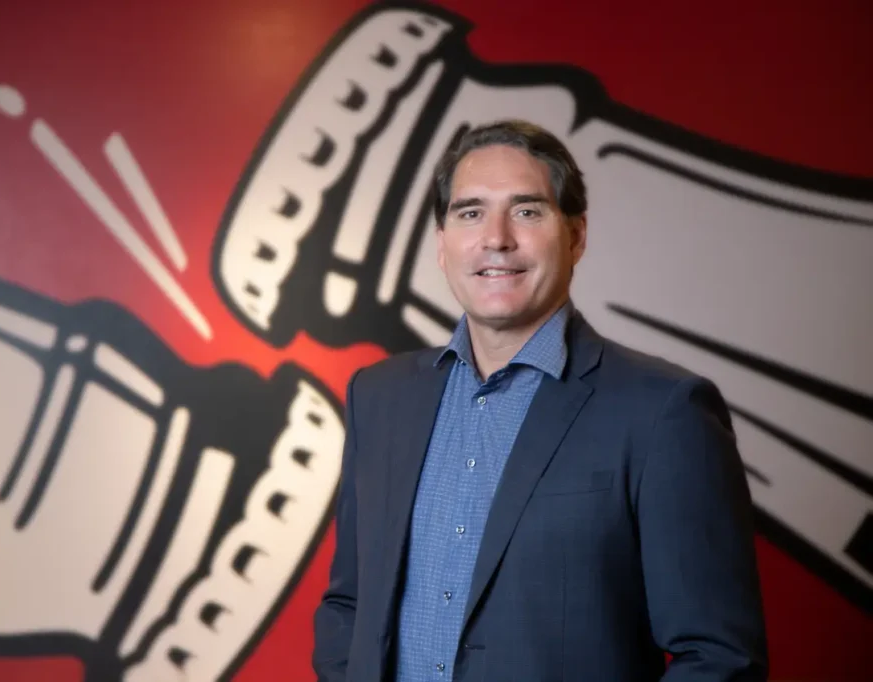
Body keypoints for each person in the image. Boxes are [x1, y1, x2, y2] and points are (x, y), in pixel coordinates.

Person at [311, 119, 768, 681]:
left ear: (576, 236)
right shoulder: (379, 397)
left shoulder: (664, 412)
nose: (496, 238)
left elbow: (719, 659)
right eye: (470, 213)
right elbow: (349, 604)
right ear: (441, 243)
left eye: (527, 211)